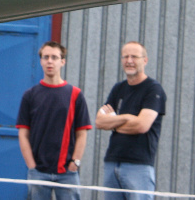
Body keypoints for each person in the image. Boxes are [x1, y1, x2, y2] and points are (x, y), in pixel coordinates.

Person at [16, 41, 92, 200]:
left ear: (62, 61)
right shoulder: (30, 95)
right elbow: (23, 134)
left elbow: (82, 133)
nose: (50, 61)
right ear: (41, 61)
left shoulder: (75, 94)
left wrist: (75, 163)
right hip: (38, 172)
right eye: (46, 57)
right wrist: (32, 166)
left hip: (67, 174)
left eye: (54, 57)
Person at [95, 41, 167, 200]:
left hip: (138, 165)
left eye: (134, 56)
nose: (129, 61)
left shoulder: (153, 89)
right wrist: (127, 118)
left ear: (145, 60)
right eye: (125, 56)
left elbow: (142, 125)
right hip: (112, 163)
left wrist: (114, 122)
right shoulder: (118, 88)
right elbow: (100, 122)